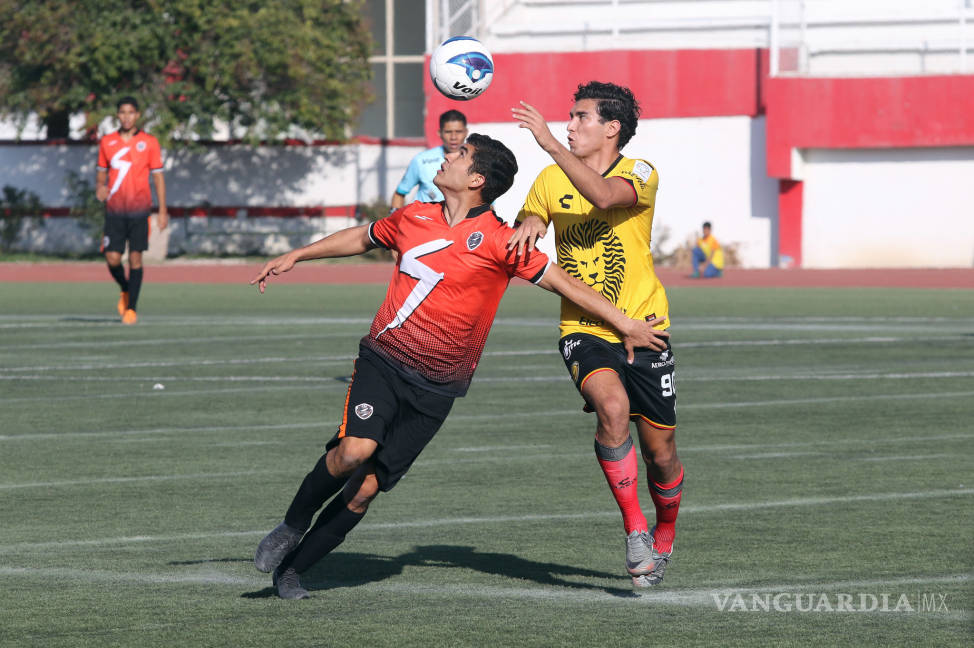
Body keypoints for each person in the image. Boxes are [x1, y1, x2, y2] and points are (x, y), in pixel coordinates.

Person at [249, 133, 670, 599]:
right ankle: (291, 524)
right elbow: (364, 236)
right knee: (353, 450)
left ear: (476, 179)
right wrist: (298, 254)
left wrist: (624, 323)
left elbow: (563, 284)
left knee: (366, 488)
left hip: (438, 387)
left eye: (460, 154)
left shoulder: (502, 239)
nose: (447, 156)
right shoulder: (414, 215)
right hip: (384, 360)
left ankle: (292, 571)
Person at [507, 81, 684, 588]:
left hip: (646, 329)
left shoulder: (640, 172)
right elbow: (533, 223)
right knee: (610, 410)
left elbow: (604, 195)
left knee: (662, 453)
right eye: (568, 118)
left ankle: (664, 531)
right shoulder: (547, 178)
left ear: (612, 128)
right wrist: (528, 228)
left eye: (580, 117)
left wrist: (550, 144)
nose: (569, 125)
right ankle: (634, 531)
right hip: (584, 329)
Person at [95, 96, 168, 325]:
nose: (126, 116)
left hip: (139, 211)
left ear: (137, 115)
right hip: (115, 210)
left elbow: (158, 178)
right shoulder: (107, 142)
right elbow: (101, 173)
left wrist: (163, 210)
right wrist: (100, 187)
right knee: (112, 258)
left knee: (136, 258)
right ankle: (125, 289)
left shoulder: (149, 142)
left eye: (131, 112)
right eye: (122, 112)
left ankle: (131, 309)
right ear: (117, 115)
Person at [390, 110, 468, 208]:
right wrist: (394, 220)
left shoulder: (475, 161)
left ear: (466, 132)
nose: (453, 137)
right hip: (423, 222)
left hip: (460, 222)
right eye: (448, 132)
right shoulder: (421, 160)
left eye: (458, 132)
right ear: (440, 133)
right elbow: (399, 194)